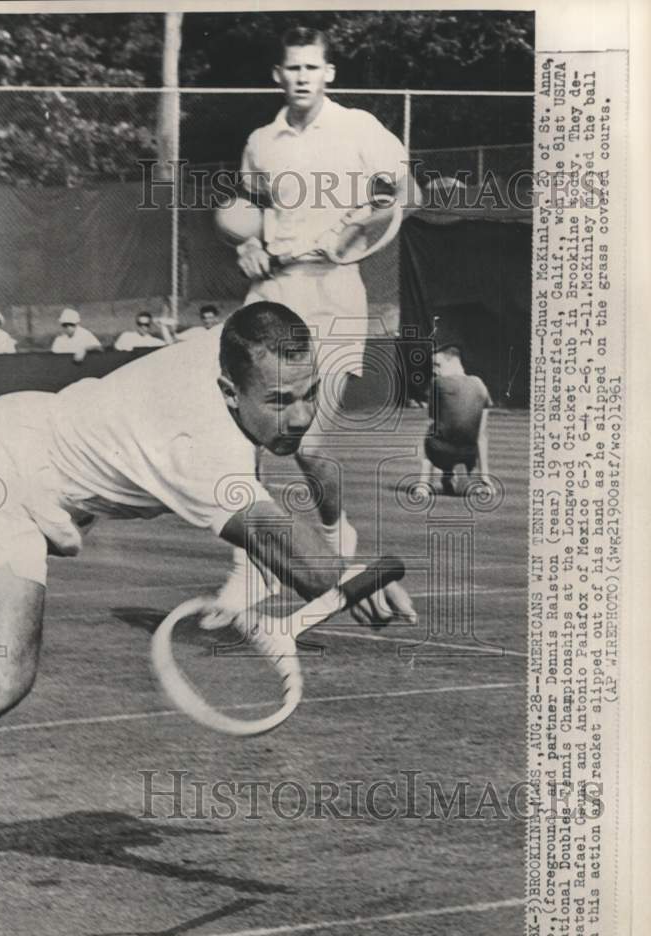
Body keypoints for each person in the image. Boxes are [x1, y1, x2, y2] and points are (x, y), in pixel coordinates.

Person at [0, 302, 416, 753]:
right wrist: (348, 581)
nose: (300, 416)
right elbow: (279, 542)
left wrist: (349, 566)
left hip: (19, 436)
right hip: (4, 472)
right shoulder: (200, 446)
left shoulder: (229, 346)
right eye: (279, 401)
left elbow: (308, 449)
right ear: (230, 391)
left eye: (309, 392)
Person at [209, 25, 409, 625]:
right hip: (271, 290)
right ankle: (248, 570)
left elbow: (396, 191)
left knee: (308, 442)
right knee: (236, 436)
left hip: (334, 294)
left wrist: (348, 232)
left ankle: (332, 529)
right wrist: (242, 245)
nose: (302, 77)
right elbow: (245, 211)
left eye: (312, 67)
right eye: (292, 68)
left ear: (329, 74)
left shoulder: (360, 129)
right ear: (279, 75)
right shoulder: (261, 141)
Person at [420, 345, 493, 496]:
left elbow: (434, 420)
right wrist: (485, 476)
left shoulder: (437, 383)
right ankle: (478, 481)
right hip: (469, 454)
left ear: (453, 361)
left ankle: (423, 484)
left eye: (437, 365)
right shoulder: (481, 385)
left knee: (431, 431)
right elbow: (482, 435)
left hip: (440, 450)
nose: (435, 370)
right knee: (464, 432)